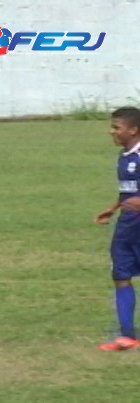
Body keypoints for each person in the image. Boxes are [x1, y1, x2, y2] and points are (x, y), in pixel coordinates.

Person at [94, 107, 140, 351]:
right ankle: (127, 335)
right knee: (121, 276)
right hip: (126, 226)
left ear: (133, 130)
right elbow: (129, 191)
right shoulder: (124, 156)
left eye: (116, 127)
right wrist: (114, 207)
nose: (111, 131)